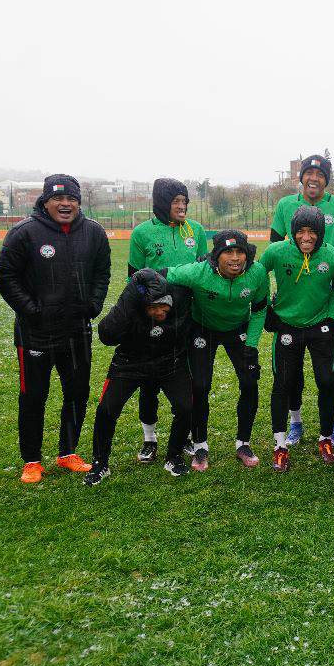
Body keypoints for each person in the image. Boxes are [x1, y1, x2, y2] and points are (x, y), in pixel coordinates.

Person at [0, 175, 111, 483]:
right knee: (33, 396)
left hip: (77, 331)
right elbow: (5, 275)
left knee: (77, 393)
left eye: (71, 199)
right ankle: (32, 460)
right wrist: (32, 310)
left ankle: (67, 452)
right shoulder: (24, 232)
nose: (65, 204)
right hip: (35, 332)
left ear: (78, 203)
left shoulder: (94, 232)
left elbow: (102, 272)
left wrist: (93, 305)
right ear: (45, 202)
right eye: (58, 199)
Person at [165, 230, 269, 471]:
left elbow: (260, 309)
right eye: (228, 252)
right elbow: (165, 274)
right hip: (203, 328)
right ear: (216, 256)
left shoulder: (257, 273)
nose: (235, 258)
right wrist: (140, 284)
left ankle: (243, 443)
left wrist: (252, 344)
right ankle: (200, 445)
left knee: (250, 382)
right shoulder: (199, 272)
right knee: (200, 386)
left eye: (240, 252)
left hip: (238, 329)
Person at [260, 206, 334, 469]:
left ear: (321, 233)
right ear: (293, 232)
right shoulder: (277, 251)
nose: (306, 237)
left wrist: (332, 316)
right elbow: (257, 275)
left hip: (321, 326)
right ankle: (281, 444)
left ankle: (326, 438)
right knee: (284, 383)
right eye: (300, 231)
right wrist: (267, 308)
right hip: (287, 326)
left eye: (312, 232)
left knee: (326, 380)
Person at [86, 269, 195, 484]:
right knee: (107, 409)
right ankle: (100, 463)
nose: (159, 312)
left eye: (163, 306)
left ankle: (174, 456)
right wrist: (128, 298)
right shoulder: (130, 305)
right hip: (130, 362)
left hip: (169, 362)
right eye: (152, 307)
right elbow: (106, 335)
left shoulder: (181, 297)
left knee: (186, 407)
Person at [126, 177, 205, 463]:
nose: (182, 206)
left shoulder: (196, 230)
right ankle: (149, 438)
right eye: (176, 202)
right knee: (149, 380)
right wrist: (147, 310)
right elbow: (133, 278)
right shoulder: (142, 233)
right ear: (161, 203)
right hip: (154, 317)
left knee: (185, 378)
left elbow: (203, 270)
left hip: (187, 317)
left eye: (185, 201)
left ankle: (184, 435)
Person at [271, 154, 334, 253]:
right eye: (309, 173)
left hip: (328, 263)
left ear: (326, 180)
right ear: (302, 177)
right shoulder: (285, 204)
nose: (314, 178)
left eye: (320, 174)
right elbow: (273, 247)